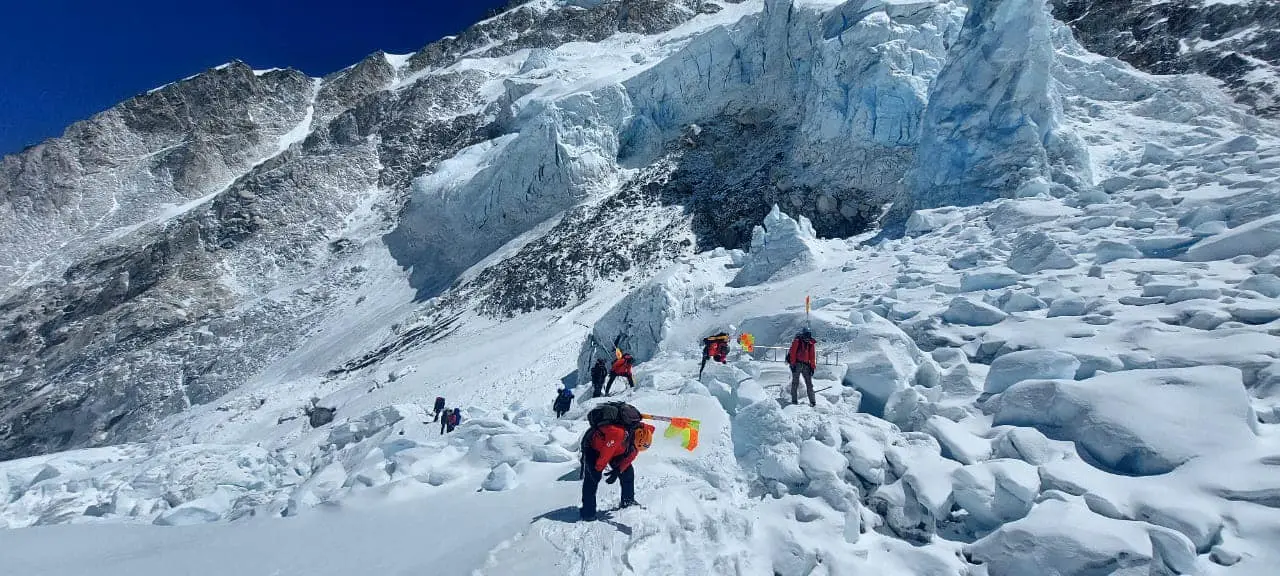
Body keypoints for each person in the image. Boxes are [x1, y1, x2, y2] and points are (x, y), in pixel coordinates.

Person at [580, 402, 654, 520]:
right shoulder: (617, 434)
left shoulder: (644, 433)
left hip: (616, 450)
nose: (635, 449)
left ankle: (628, 501)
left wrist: (619, 470)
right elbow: (605, 454)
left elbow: (631, 455)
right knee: (592, 478)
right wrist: (598, 470)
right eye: (635, 446)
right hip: (594, 448)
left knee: (628, 473)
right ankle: (588, 512)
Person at [787, 328, 818, 407]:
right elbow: (793, 353)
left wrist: (812, 367)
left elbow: (812, 356)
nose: (808, 337)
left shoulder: (811, 343)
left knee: (809, 384)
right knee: (795, 383)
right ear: (803, 334)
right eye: (806, 335)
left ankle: (813, 402)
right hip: (797, 364)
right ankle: (794, 401)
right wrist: (793, 364)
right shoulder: (797, 341)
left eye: (809, 335)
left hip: (806, 365)